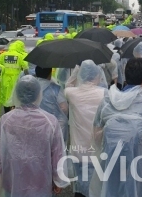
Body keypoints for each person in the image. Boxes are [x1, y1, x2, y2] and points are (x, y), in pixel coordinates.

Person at [0, 76, 69, 197]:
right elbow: (57, 154)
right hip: (40, 182)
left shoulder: (6, 120)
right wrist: (59, 180)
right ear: (38, 94)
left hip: (12, 181)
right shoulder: (50, 121)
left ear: (17, 94)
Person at [90, 58, 142, 197]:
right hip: (140, 165)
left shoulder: (106, 102)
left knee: (111, 191)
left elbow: (96, 135)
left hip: (111, 161)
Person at [64, 60, 108, 197]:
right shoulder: (105, 93)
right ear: (97, 75)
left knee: (80, 186)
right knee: (97, 186)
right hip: (98, 147)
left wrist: (77, 69)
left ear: (81, 76)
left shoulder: (71, 93)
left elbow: (68, 84)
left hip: (79, 149)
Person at [33, 66, 69, 142]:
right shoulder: (56, 89)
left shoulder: (30, 87)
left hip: (34, 124)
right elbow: (64, 108)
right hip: (54, 126)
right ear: (50, 74)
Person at [0, 40, 28, 111]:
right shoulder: (19, 56)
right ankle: (13, 111)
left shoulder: (3, 55)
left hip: (4, 78)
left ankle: (6, 111)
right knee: (14, 96)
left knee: (5, 95)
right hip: (15, 79)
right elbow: (25, 67)